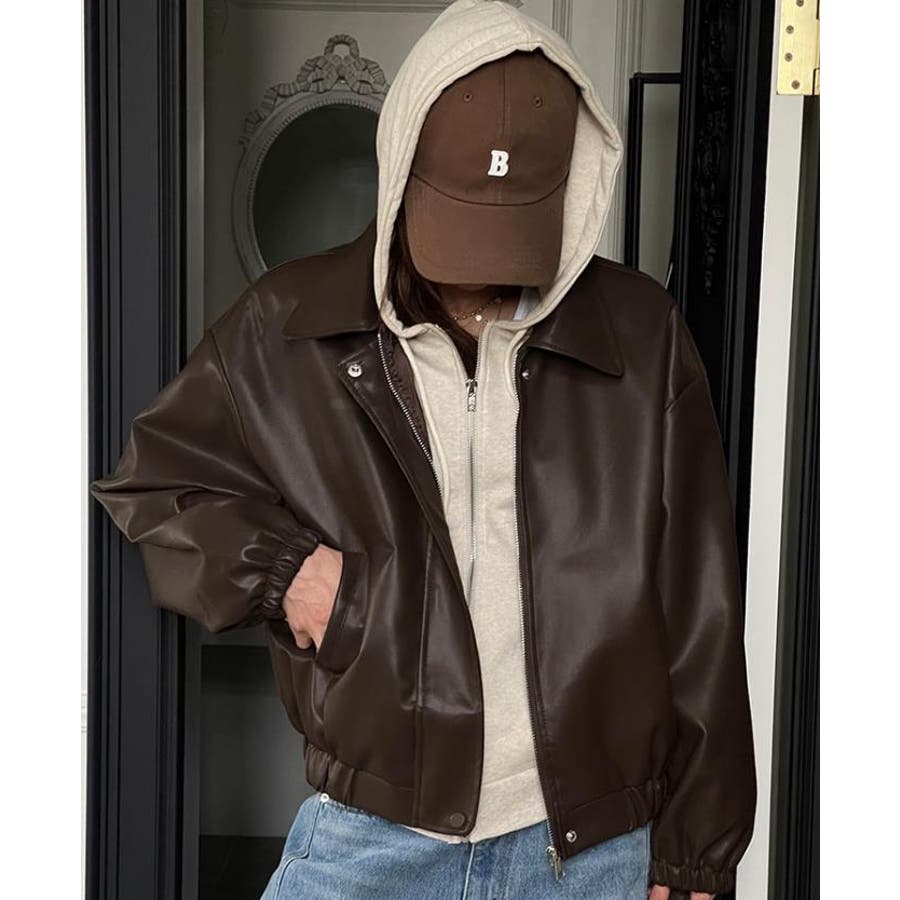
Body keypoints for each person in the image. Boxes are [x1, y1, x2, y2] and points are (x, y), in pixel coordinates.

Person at [90, 2, 756, 898]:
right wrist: (285, 571)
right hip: (372, 842)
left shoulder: (641, 337)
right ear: (401, 161)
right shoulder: (291, 326)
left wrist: (699, 848)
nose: (487, 264)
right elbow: (157, 483)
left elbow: (699, 603)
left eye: (513, 223)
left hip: (591, 852)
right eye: (461, 219)